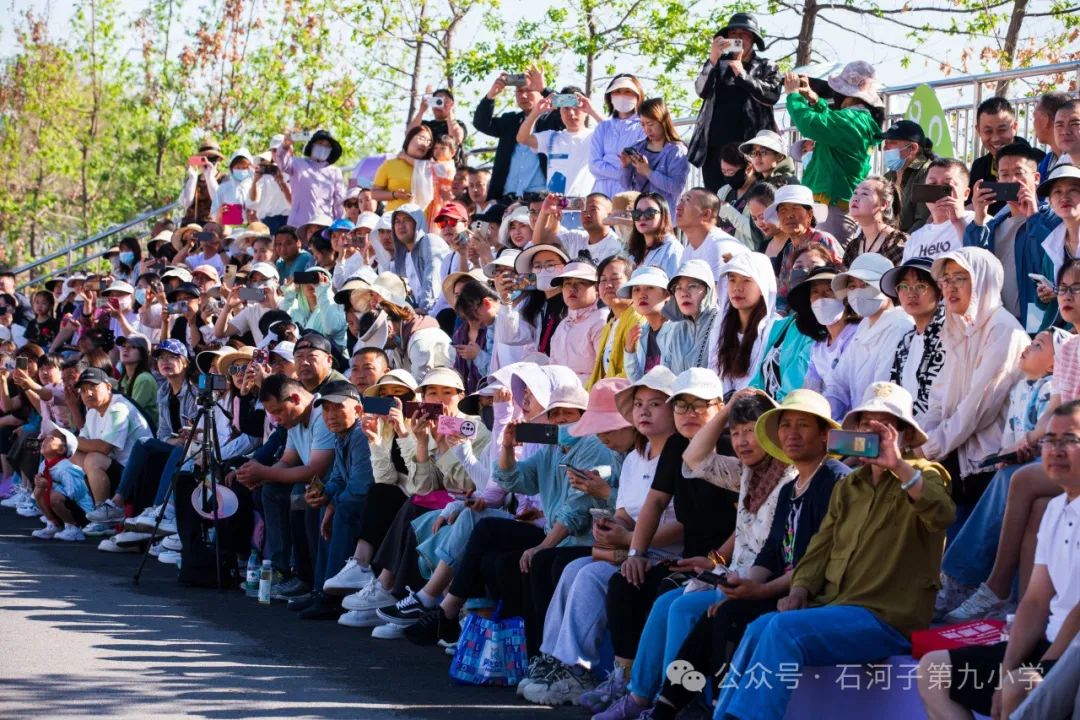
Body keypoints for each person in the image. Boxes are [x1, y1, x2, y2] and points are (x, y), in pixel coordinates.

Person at [717, 382, 952, 720]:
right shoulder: (850, 487)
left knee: (782, 630)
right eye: (865, 425)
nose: (874, 434)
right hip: (840, 608)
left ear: (903, 435)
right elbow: (818, 549)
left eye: (884, 427)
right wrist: (798, 591)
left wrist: (899, 465)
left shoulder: (926, 475)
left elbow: (941, 513)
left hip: (889, 618)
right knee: (760, 626)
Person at [519, 367, 684, 706]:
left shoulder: (680, 457)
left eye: (655, 404)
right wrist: (611, 527)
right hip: (634, 547)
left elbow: (684, 524)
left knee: (591, 574)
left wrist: (631, 540)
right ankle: (558, 661)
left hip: (664, 552)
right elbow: (625, 510)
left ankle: (578, 668)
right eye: (638, 404)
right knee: (573, 570)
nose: (644, 412)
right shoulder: (639, 457)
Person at [918, 401, 1080, 720]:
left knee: (1019, 688)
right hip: (1050, 642)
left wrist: (1040, 669)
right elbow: (1034, 601)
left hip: (1073, 654)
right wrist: (1006, 670)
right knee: (932, 669)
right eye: (1049, 440)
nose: (1056, 450)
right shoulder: (1056, 510)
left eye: (1070, 440)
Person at [918, 247, 1030, 518]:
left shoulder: (1003, 329)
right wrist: (918, 435)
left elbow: (978, 408)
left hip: (989, 466)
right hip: (957, 457)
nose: (949, 288)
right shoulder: (957, 327)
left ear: (982, 279)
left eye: (959, 278)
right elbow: (940, 396)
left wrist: (930, 446)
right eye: (945, 280)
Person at [292, 380, 376, 620]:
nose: (330, 415)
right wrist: (324, 494)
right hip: (358, 501)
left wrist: (332, 502)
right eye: (326, 409)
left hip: (377, 506)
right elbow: (339, 476)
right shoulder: (342, 435)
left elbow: (361, 487)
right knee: (319, 507)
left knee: (344, 507)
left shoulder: (360, 433)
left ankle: (333, 596)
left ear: (358, 410)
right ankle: (321, 589)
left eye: (337, 408)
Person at [783, 62, 886, 245]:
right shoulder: (857, 120)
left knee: (827, 263)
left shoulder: (852, 121)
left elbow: (811, 123)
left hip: (832, 206)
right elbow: (830, 122)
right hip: (832, 204)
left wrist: (793, 96)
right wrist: (815, 100)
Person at [965, 141, 1061, 331]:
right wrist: (979, 215)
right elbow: (973, 263)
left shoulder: (1053, 219)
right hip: (996, 320)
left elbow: (1045, 262)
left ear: (1036, 178)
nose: (1011, 180)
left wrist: (1033, 216)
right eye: (1005, 174)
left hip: (1036, 316)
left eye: (1019, 173)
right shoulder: (992, 226)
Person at [687, 13, 782, 193]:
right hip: (715, 149)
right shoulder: (717, 64)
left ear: (753, 38)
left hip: (751, 149)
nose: (737, 37)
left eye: (744, 33)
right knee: (716, 201)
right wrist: (713, 59)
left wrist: (742, 75)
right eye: (733, 33)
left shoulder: (766, 65)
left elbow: (772, 95)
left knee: (752, 199)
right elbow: (701, 90)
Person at [823, 253, 914, 418]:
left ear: (888, 288)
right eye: (852, 286)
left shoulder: (900, 326)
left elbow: (883, 391)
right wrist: (827, 418)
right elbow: (837, 384)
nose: (858, 292)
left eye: (865, 285)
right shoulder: (863, 327)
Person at [474, 67, 565, 200]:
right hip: (506, 199)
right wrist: (491, 95)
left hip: (540, 199)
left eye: (529, 91)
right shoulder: (510, 121)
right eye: (519, 91)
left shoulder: (552, 119)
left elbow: (571, 105)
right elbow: (481, 124)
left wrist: (544, 89)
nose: (523, 96)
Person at [73, 367, 154, 504]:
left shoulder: (118, 408)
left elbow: (104, 448)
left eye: (93, 387)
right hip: (116, 468)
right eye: (84, 390)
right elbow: (82, 441)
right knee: (73, 454)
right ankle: (86, 508)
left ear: (109, 387)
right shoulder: (92, 411)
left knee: (93, 459)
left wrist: (68, 440)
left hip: (137, 475)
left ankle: (103, 513)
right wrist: (69, 443)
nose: (88, 393)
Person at [880, 257, 946, 420]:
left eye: (921, 286)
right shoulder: (906, 340)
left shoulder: (948, 335)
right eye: (903, 286)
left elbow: (938, 402)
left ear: (939, 290)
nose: (911, 293)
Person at [765, 184, 843, 311]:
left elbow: (839, 279)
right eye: (783, 210)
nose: (789, 215)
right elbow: (784, 290)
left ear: (809, 214)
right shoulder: (789, 249)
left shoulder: (823, 240)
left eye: (795, 208)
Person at [710, 252, 779, 396]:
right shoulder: (721, 327)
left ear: (762, 286)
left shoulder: (776, 328)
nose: (737, 288)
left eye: (746, 280)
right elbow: (715, 374)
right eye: (732, 280)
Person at [517, 87, 602, 198]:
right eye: (566, 108)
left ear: (585, 111)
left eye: (576, 108)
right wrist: (536, 112)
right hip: (555, 208)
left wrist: (592, 111)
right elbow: (522, 138)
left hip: (585, 207)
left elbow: (615, 135)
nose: (571, 113)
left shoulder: (595, 136)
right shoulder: (552, 137)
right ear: (560, 112)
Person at [787, 264, 858, 394]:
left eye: (829, 290)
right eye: (815, 292)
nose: (821, 297)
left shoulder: (858, 335)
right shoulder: (818, 347)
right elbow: (810, 391)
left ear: (846, 297)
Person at [968, 96, 1043, 216]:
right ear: (978, 131)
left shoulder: (1038, 159)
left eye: (1002, 130)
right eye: (988, 131)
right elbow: (970, 206)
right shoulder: (979, 166)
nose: (995, 138)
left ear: (1014, 127)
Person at [620, 98, 690, 216]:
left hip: (664, 217)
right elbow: (626, 186)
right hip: (639, 216)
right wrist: (625, 167)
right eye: (643, 125)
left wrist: (648, 172)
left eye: (651, 124)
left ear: (663, 121)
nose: (647, 129)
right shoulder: (638, 147)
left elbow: (676, 187)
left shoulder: (676, 151)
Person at [902, 158, 974, 262]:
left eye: (946, 187)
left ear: (965, 193)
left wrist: (958, 222)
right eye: (932, 185)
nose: (939, 193)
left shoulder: (978, 223)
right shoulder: (915, 238)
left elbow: (979, 263)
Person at [30, 424, 92, 542]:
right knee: (38, 490)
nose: (46, 439)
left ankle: (74, 528)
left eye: (52, 438)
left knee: (54, 495)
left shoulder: (66, 468)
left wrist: (49, 485)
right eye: (47, 436)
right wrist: (39, 484)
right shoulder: (44, 465)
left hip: (82, 513)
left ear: (62, 449)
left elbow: (74, 494)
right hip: (62, 509)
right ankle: (53, 524)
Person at [549, 260, 608, 383]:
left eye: (580, 282)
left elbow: (604, 371)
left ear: (596, 288)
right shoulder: (562, 325)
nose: (572, 288)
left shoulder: (602, 320)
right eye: (567, 283)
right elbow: (553, 369)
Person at [590, 74, 647, 199]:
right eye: (617, 91)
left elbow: (637, 165)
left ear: (638, 97)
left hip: (629, 192)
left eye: (628, 92)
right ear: (609, 97)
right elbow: (594, 165)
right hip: (601, 192)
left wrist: (610, 165)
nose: (622, 95)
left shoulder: (644, 127)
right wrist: (622, 171)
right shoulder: (602, 127)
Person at [1038, 160, 1080, 329]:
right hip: (1057, 332)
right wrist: (1044, 296)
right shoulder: (1051, 245)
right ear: (1050, 201)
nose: (1064, 197)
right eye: (1057, 192)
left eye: (1073, 190)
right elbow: (1045, 307)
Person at [674, 188, 746, 285]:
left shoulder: (719, 246)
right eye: (681, 200)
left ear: (706, 214)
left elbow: (717, 297)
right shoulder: (688, 250)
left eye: (687, 200)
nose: (678, 207)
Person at [275, 129, 346, 228]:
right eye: (320, 143)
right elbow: (281, 162)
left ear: (331, 150)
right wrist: (285, 145)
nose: (323, 147)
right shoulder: (297, 163)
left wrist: (340, 225)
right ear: (312, 146)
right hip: (297, 225)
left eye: (327, 146)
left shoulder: (335, 172)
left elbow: (339, 202)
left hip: (324, 225)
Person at [390, 204, 452, 315]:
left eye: (406, 220)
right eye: (397, 222)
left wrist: (423, 309)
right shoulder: (400, 258)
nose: (401, 226)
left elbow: (432, 278)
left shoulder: (430, 241)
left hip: (442, 312)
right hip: (419, 313)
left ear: (417, 223)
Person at [588, 256, 639, 387]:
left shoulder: (637, 318)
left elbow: (631, 372)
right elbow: (598, 374)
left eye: (615, 279)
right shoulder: (609, 325)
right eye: (603, 280)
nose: (608, 285)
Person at [535, 193, 626, 265]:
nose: (587, 214)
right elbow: (541, 242)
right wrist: (544, 212)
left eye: (593, 209)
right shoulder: (577, 238)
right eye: (584, 210)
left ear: (609, 214)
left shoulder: (616, 245)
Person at [881, 119, 935, 233]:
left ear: (913, 148)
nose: (885, 148)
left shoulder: (929, 173)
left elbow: (924, 221)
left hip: (912, 245)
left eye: (892, 143)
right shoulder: (887, 177)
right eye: (885, 143)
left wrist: (899, 244)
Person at [843, 175, 907, 267]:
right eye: (855, 192)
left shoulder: (898, 243)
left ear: (884, 204)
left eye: (864, 194)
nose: (855, 198)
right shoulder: (852, 248)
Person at [372, 125, 433, 212]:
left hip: (423, 221)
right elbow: (374, 194)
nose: (425, 144)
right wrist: (395, 195)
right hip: (394, 221)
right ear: (409, 139)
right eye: (422, 138)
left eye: (428, 142)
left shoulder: (431, 168)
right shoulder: (390, 164)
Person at [625, 192, 683, 277]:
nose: (642, 218)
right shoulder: (634, 250)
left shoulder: (672, 249)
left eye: (649, 213)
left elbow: (674, 286)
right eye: (637, 213)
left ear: (664, 216)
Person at [406, 87, 468, 165]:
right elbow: (409, 135)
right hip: (422, 168)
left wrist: (449, 111)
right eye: (435, 101)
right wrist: (421, 111)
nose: (438, 105)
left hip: (445, 170)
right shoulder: (425, 125)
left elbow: (456, 139)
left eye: (442, 101)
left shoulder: (457, 124)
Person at [249, 145, 293, 234]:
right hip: (267, 221)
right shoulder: (262, 176)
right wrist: (255, 180)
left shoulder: (293, 171)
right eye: (274, 150)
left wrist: (281, 182)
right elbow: (253, 199)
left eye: (281, 150)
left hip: (288, 219)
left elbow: (292, 201)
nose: (277, 153)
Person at [1033, 92, 1072, 178]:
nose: (1033, 123)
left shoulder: (1075, 159)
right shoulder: (1047, 162)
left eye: (1034, 117)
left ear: (1045, 120)